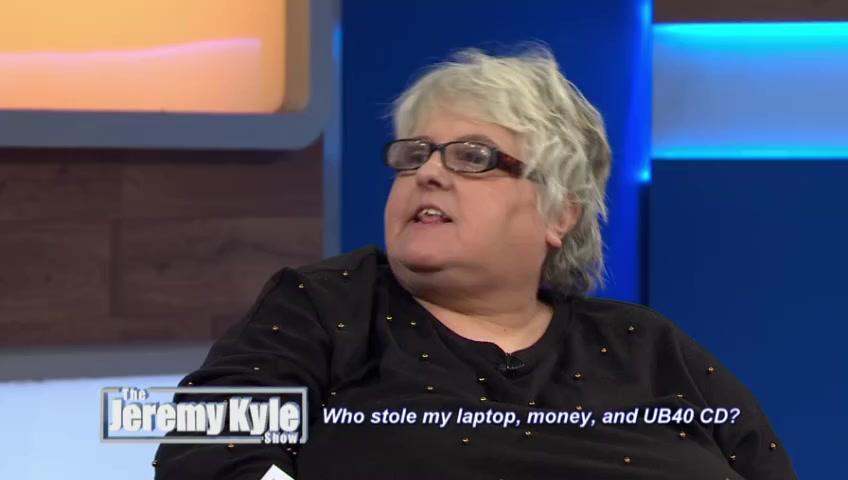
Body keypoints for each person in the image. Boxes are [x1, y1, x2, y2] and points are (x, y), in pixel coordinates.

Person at [153, 46, 796, 479]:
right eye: (414, 154)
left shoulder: (647, 346)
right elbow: (208, 454)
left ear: (559, 213)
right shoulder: (324, 309)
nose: (428, 173)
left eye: (472, 157)